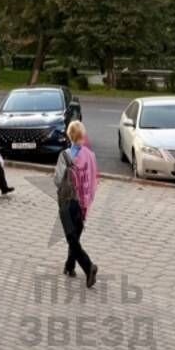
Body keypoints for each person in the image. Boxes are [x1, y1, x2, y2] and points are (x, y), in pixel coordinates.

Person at [54, 121, 99, 287]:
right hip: (82, 202)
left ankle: (89, 267)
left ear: (70, 136)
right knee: (75, 236)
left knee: (71, 238)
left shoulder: (65, 155)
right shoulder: (89, 155)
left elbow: (57, 180)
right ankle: (69, 266)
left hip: (67, 202)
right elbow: (93, 179)